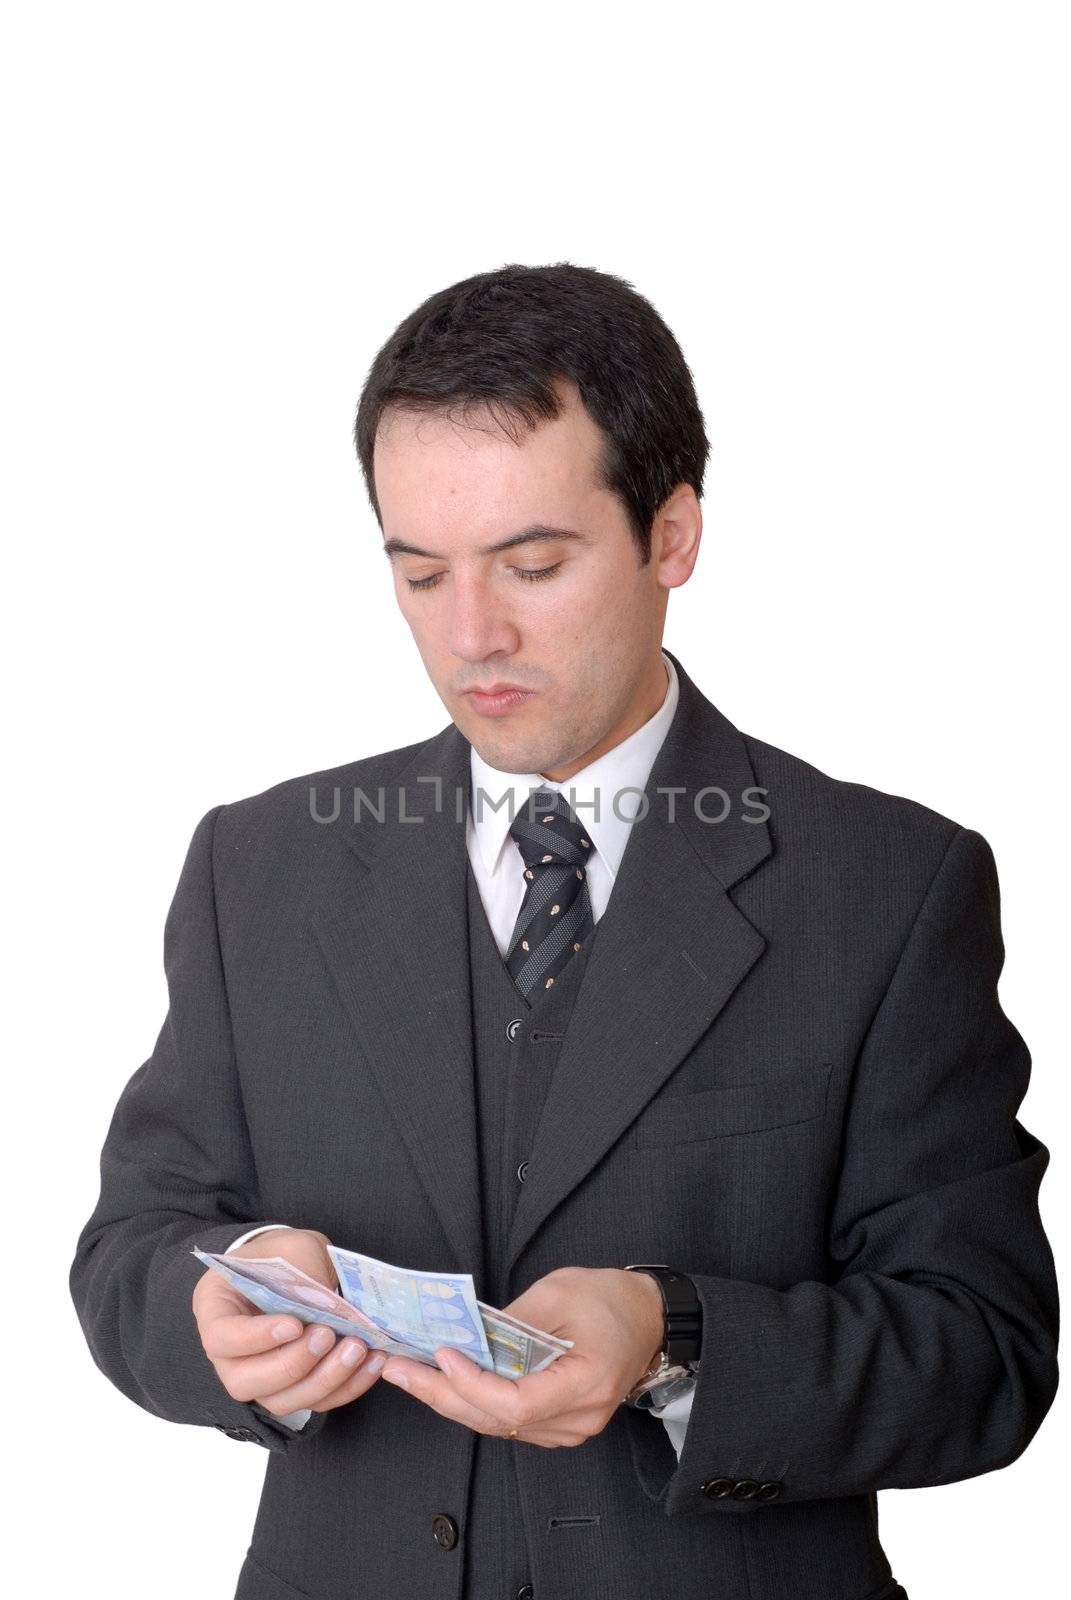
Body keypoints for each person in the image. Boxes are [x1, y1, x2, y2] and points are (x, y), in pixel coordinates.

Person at [70, 262, 1059, 1600]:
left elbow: (985, 1356)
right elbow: (135, 1239)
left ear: (673, 536)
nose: (472, 633)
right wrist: (219, 1304)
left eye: (533, 564)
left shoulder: (890, 887)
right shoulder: (260, 871)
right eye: (421, 574)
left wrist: (674, 1336)